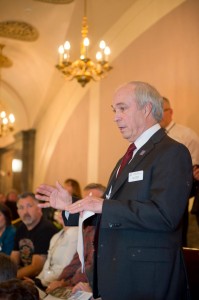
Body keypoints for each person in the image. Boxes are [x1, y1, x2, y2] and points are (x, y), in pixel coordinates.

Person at [36, 81, 193, 300]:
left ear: (146, 109)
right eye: (114, 110)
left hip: (147, 281)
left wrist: (103, 205)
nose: (115, 117)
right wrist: (71, 205)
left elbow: (166, 216)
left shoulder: (172, 152)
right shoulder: (126, 158)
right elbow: (110, 214)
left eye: (122, 108)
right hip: (119, 277)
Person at [45, 183, 106, 296]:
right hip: (73, 285)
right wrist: (60, 280)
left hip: (90, 289)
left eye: (92, 201)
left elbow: (93, 267)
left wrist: (65, 284)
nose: (87, 206)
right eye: (84, 202)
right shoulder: (87, 227)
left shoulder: (107, 231)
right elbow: (77, 259)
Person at [160, 96, 199, 246]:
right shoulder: (152, 136)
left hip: (178, 193)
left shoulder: (186, 134)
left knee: (178, 238)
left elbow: (195, 166)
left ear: (171, 112)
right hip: (156, 192)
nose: (159, 115)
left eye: (162, 111)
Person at [10, 192, 58, 280]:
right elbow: (14, 257)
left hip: (40, 282)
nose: (25, 211)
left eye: (29, 206)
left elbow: (37, 267)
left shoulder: (46, 229)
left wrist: (10, 277)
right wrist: (7, 272)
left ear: (39, 208)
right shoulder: (21, 227)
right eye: (21, 208)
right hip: (22, 278)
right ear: (18, 212)